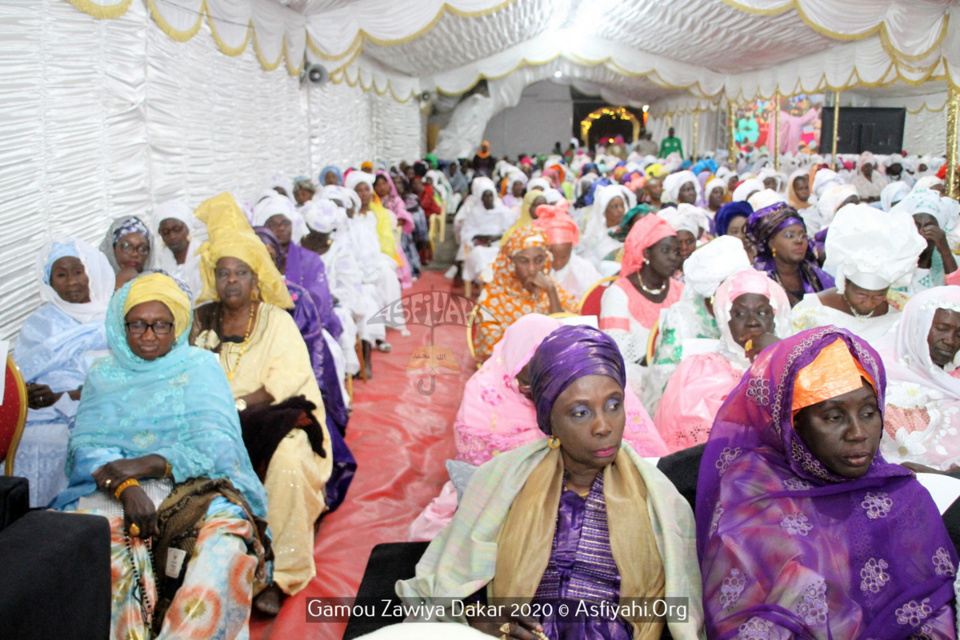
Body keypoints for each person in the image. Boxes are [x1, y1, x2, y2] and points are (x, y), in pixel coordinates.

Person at [397, 325, 703, 640]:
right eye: (581, 412)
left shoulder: (658, 497)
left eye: (614, 405)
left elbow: (684, 604)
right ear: (549, 419)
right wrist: (479, 617)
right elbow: (447, 581)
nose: (603, 426)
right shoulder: (503, 481)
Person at [697, 328, 959, 638]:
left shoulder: (903, 498)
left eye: (868, 412)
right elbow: (744, 618)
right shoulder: (752, 490)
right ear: (791, 422)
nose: (857, 433)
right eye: (834, 417)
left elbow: (935, 608)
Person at [51, 273, 269, 639]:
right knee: (99, 551)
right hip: (111, 486)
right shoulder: (103, 375)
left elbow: (218, 447)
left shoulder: (200, 368)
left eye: (160, 325)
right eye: (137, 324)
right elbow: (85, 448)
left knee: (222, 551)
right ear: (121, 326)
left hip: (197, 486)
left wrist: (145, 464)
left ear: (178, 325)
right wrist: (127, 486)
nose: (148, 335)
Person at [190, 193, 332, 614]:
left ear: (257, 280)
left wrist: (231, 407)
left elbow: (282, 386)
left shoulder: (275, 319)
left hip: (273, 418)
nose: (231, 281)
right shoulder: (202, 320)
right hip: (212, 419)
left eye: (241, 273)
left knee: (287, 461)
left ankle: (284, 575)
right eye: (223, 273)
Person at [408, 315, 667, 541]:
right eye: (529, 386)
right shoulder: (486, 394)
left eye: (549, 383)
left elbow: (637, 444)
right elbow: (483, 472)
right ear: (511, 373)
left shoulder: (591, 386)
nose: (541, 395)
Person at [14, 239, 113, 507]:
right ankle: (29, 512)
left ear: (92, 271)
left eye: (77, 271)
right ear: (49, 281)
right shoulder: (40, 321)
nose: (71, 282)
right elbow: (22, 372)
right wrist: (29, 393)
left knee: (70, 440)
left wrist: (64, 396)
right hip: (45, 408)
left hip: (100, 403)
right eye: (60, 274)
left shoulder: (114, 319)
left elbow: (121, 379)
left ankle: (69, 511)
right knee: (28, 436)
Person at [654, 269, 790, 452]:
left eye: (762, 313)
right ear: (726, 320)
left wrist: (780, 354)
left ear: (775, 320)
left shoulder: (790, 364)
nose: (752, 322)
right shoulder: (700, 372)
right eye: (740, 314)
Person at [792, 204, 923, 344]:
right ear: (845, 283)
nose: (868, 303)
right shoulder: (811, 311)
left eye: (878, 296)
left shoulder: (903, 308)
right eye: (861, 294)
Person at [880, 286, 960, 470]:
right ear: (917, 327)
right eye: (941, 328)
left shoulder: (953, 374)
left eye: (959, 334)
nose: (950, 340)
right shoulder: (882, 373)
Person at [473, 226, 577, 362]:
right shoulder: (493, 296)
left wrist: (551, 292)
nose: (532, 269)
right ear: (511, 263)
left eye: (539, 260)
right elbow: (494, 352)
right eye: (523, 261)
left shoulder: (550, 287)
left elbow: (568, 336)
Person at [600, 214, 683, 378]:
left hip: (676, 373)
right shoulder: (618, 293)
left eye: (677, 252)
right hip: (633, 377)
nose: (674, 258)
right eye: (665, 251)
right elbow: (617, 355)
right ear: (646, 254)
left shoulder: (681, 290)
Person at [747, 202, 833, 307]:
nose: (799, 240)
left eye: (803, 235)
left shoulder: (818, 276)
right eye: (789, 235)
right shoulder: (758, 281)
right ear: (771, 243)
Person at [892, 188, 960, 294]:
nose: (922, 231)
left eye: (930, 226)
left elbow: (956, 293)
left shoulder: (952, 261)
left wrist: (945, 251)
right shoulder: (893, 259)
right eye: (916, 225)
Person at [535, 199, 602, 299]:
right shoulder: (535, 270)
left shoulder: (584, 270)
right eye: (553, 257)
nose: (558, 263)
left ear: (571, 249)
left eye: (564, 257)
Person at [458, 177, 514, 286]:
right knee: (479, 254)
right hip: (480, 245)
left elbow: (509, 231)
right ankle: (484, 282)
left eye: (490, 195)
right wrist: (479, 237)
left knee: (499, 254)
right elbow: (466, 232)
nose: (488, 198)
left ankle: (494, 283)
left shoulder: (504, 212)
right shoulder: (475, 213)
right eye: (485, 195)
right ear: (481, 198)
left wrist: (495, 238)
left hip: (498, 243)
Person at [151, 200, 204, 304]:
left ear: (187, 228)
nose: (172, 237)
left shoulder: (204, 254)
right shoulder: (158, 261)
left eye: (177, 229)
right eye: (166, 232)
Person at [578, 184, 634, 271]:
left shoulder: (629, 234)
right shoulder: (595, 237)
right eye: (614, 207)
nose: (620, 210)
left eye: (622, 205)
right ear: (604, 210)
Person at [100, 216, 153, 288]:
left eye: (142, 248)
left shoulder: (159, 282)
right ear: (113, 248)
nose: (135, 254)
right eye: (127, 246)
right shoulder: (96, 285)